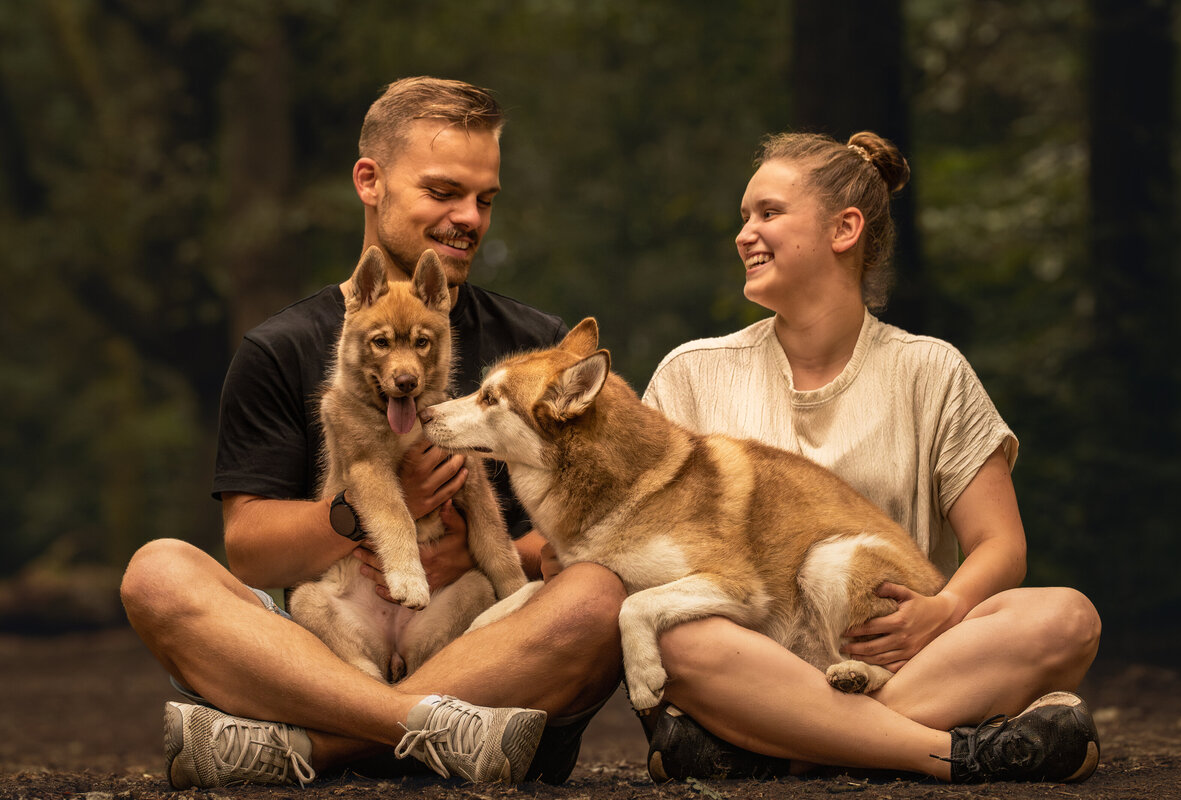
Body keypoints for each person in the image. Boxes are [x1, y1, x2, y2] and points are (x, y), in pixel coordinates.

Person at [119, 76, 625, 789]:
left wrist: (484, 558)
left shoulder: (533, 345)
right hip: (331, 638)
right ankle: (432, 730)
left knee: (604, 595)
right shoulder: (280, 348)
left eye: (485, 199)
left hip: (481, 636)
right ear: (370, 180)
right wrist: (372, 512)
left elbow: (593, 535)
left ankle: (316, 746)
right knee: (157, 574)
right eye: (444, 192)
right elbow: (252, 553)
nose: (470, 218)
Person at [639, 131, 1102, 784]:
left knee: (1067, 618)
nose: (745, 233)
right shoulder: (691, 375)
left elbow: (1000, 546)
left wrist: (942, 611)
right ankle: (950, 754)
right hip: (747, 661)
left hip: (906, 661)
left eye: (768, 213)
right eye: (744, 217)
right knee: (672, 638)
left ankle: (781, 750)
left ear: (845, 228)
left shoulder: (931, 370)